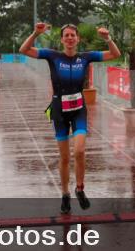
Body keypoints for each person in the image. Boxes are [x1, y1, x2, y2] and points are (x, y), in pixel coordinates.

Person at [19, 22, 121, 214]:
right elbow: (23, 49)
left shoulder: (86, 57)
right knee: (65, 157)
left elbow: (115, 54)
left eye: (73, 35)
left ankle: (80, 188)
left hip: (78, 110)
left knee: (80, 152)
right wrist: (35, 33)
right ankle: (65, 194)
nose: (69, 38)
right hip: (59, 111)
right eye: (66, 35)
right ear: (62, 39)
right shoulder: (52, 56)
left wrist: (107, 38)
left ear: (78, 38)